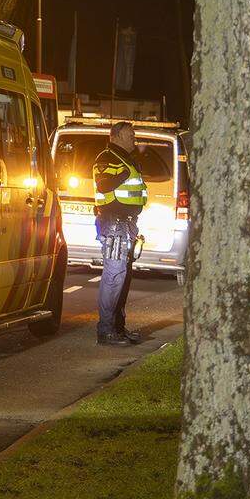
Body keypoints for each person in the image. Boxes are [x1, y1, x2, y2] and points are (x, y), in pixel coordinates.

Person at [93, 121, 148, 345]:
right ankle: (106, 330)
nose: (134, 137)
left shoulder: (124, 158)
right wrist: (124, 174)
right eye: (130, 134)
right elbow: (103, 184)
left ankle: (118, 327)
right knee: (115, 276)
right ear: (116, 136)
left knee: (123, 277)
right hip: (114, 223)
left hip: (126, 224)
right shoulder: (108, 157)